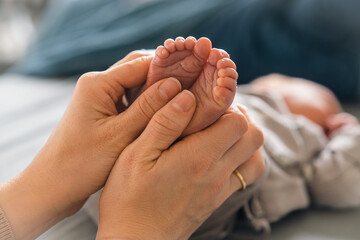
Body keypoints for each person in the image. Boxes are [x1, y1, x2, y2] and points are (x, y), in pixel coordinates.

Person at [84, 37, 360, 239]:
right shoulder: (257, 101)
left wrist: (349, 136)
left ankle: (163, 105)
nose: (333, 117)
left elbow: (335, 185)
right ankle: (160, 107)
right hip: (108, 184)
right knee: (231, 115)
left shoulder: (309, 140)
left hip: (200, 200)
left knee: (223, 137)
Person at [0, 49, 265, 240]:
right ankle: (174, 128)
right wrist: (138, 229)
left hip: (100, 186)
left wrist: (44, 185)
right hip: (248, 157)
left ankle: (160, 129)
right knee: (285, 105)